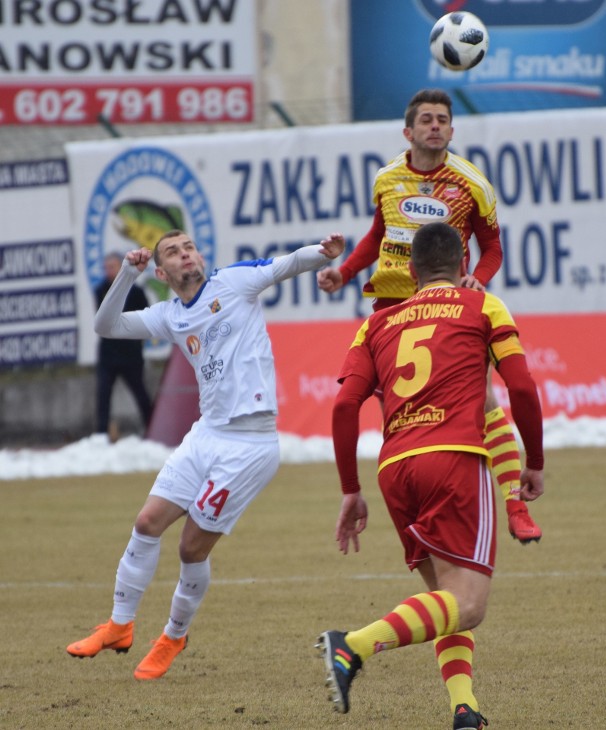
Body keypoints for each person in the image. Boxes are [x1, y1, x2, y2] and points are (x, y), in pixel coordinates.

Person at [67, 229, 345, 680]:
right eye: (174, 253)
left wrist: (322, 253)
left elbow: (285, 264)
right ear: (161, 272)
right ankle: (119, 626)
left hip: (251, 444)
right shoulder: (168, 315)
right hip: (206, 435)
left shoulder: (232, 283)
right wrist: (127, 277)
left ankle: (174, 636)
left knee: (191, 548)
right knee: (145, 523)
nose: (186, 255)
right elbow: (106, 327)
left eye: (189, 247)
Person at [317, 222, 544, 729]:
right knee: (468, 605)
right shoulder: (482, 305)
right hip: (455, 459)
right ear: (465, 266)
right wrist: (535, 463)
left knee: (444, 598)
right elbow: (523, 390)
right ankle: (351, 646)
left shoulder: (375, 324)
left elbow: (344, 405)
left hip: (396, 470)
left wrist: (350, 491)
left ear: (411, 272)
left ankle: (464, 707)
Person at [317, 88, 541, 545]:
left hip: (447, 304)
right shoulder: (386, 179)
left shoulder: (472, 183)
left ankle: (515, 504)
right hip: (393, 308)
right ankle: (424, 519)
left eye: (442, 119)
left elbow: (493, 246)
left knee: (483, 400)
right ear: (409, 131)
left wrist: (477, 277)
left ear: (452, 131)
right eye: (426, 120)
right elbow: (377, 235)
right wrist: (344, 273)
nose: (435, 126)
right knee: (403, 419)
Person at [95, 252, 153, 438]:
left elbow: (146, 318)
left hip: (130, 354)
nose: (108, 271)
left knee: (140, 393)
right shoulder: (101, 290)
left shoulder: (136, 292)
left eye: (112, 267)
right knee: (103, 396)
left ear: (121, 267)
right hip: (108, 355)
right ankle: (101, 434)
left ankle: (151, 429)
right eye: (106, 268)